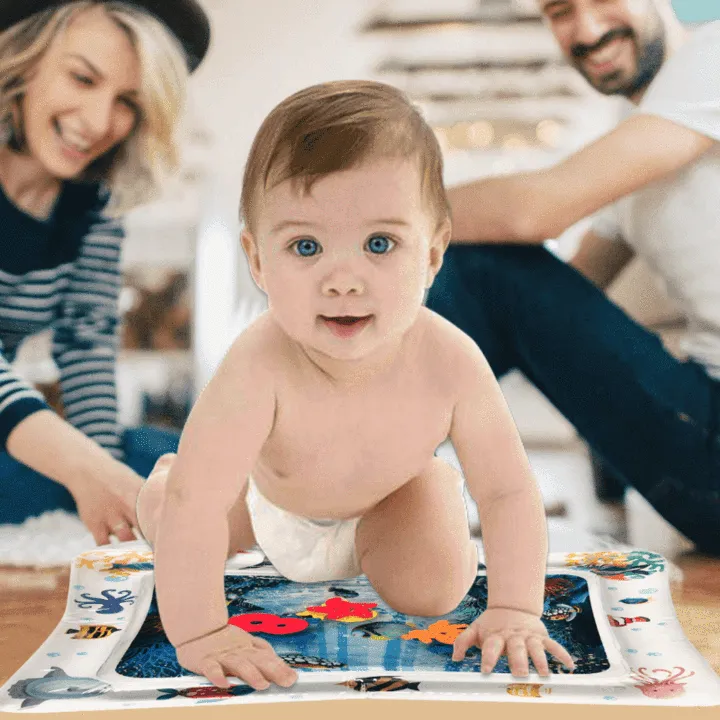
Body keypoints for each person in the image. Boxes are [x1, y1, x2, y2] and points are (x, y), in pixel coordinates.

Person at [136, 80, 576, 691]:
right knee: (184, 509)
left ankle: (427, 496)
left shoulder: (451, 360)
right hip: (266, 510)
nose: (343, 280)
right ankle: (158, 487)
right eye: (306, 246)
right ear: (257, 260)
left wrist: (514, 609)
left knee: (437, 589)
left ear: (432, 254)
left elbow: (505, 492)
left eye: (379, 244)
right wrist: (202, 630)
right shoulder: (258, 364)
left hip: (388, 506)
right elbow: (200, 503)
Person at [425, 0, 720, 554]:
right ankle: (359, 470)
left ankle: (336, 472)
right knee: (487, 275)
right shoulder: (634, 130)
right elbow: (567, 288)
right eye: (560, 11)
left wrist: (367, 213)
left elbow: (536, 212)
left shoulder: (714, 55)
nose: (586, 29)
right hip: (703, 439)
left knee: (485, 268)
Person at [0, 0, 210, 546]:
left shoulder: (96, 207)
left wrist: (109, 503)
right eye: (82, 78)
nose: (98, 122)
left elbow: (85, 342)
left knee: (165, 458)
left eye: (126, 103)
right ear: (24, 61)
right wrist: (86, 472)